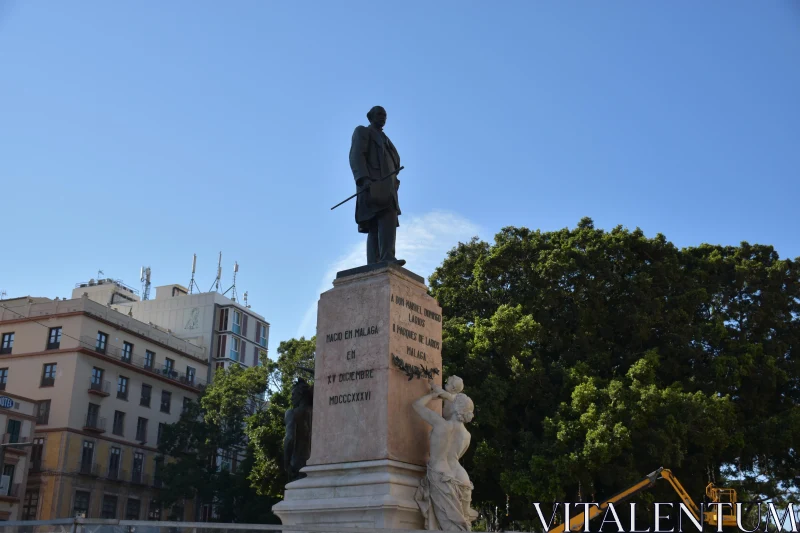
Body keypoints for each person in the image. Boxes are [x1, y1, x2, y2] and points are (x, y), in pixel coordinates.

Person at [413, 380, 476, 530]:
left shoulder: (441, 425)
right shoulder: (467, 435)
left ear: (454, 408)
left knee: (450, 526)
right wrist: (447, 395)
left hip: (440, 474)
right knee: (459, 524)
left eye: (447, 404)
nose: (444, 406)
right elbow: (455, 456)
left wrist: (432, 395)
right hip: (461, 478)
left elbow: (416, 405)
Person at [349, 106, 406, 266]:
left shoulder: (387, 140)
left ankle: (380, 259)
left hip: (389, 186)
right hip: (373, 183)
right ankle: (384, 258)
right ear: (370, 116)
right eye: (379, 114)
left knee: (386, 219)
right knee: (376, 222)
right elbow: (356, 155)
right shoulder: (363, 132)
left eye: (385, 115)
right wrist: (363, 179)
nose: (383, 117)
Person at [283, 379, 313, 482]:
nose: (291, 398)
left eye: (293, 394)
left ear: (300, 394)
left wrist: (286, 463)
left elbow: (290, 438)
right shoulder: (319, 413)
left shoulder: (292, 413)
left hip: (298, 464)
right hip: (317, 463)